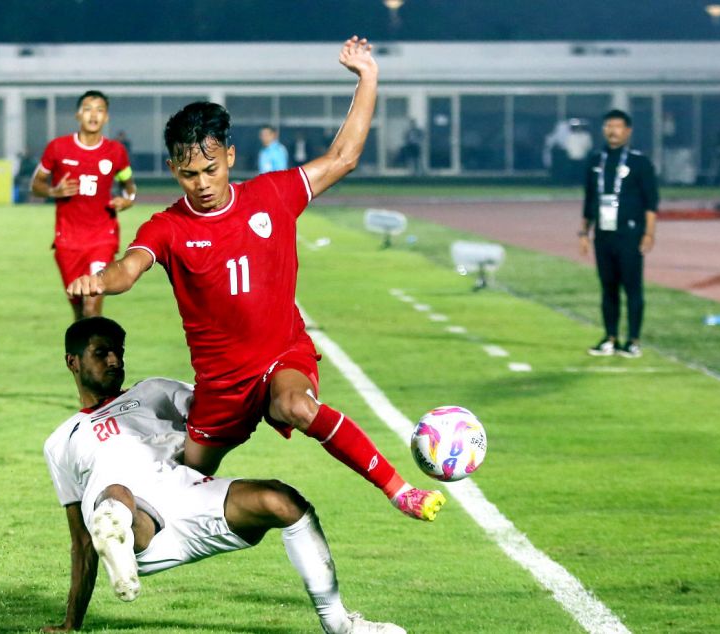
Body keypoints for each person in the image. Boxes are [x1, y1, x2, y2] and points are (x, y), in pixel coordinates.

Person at [65, 37, 445, 522]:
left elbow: (344, 156)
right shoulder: (167, 226)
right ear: (171, 170)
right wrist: (99, 279)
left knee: (298, 406)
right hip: (221, 386)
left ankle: (398, 489)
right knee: (181, 484)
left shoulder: (275, 195)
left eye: (209, 169)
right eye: (187, 174)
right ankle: (117, 534)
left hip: (282, 354)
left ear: (229, 156)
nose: (201, 184)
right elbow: (129, 268)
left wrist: (368, 76)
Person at [42, 317, 405, 634]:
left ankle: (340, 624)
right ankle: (120, 552)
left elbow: (217, 411)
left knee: (283, 501)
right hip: (136, 526)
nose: (115, 360)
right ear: (72, 361)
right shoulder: (62, 440)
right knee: (116, 498)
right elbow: (81, 539)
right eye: (101, 352)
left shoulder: (154, 391)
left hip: (186, 496)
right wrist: (71, 622)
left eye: (118, 351)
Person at [31, 90, 138, 320]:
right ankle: (84, 355)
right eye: (88, 109)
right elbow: (35, 185)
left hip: (102, 238)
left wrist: (127, 200)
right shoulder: (58, 148)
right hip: (68, 240)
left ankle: (102, 354)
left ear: (106, 117)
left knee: (92, 303)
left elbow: (129, 187)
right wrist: (53, 191)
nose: (93, 115)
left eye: (100, 110)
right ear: (78, 115)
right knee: (80, 313)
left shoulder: (116, 152)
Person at [578, 109, 659, 359]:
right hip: (604, 234)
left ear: (628, 131)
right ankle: (610, 337)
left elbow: (651, 202)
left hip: (630, 233)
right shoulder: (595, 161)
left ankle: (633, 340)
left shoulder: (639, 162)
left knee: (632, 288)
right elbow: (590, 199)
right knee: (608, 288)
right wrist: (583, 232)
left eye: (617, 126)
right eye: (608, 126)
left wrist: (649, 234)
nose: (612, 131)